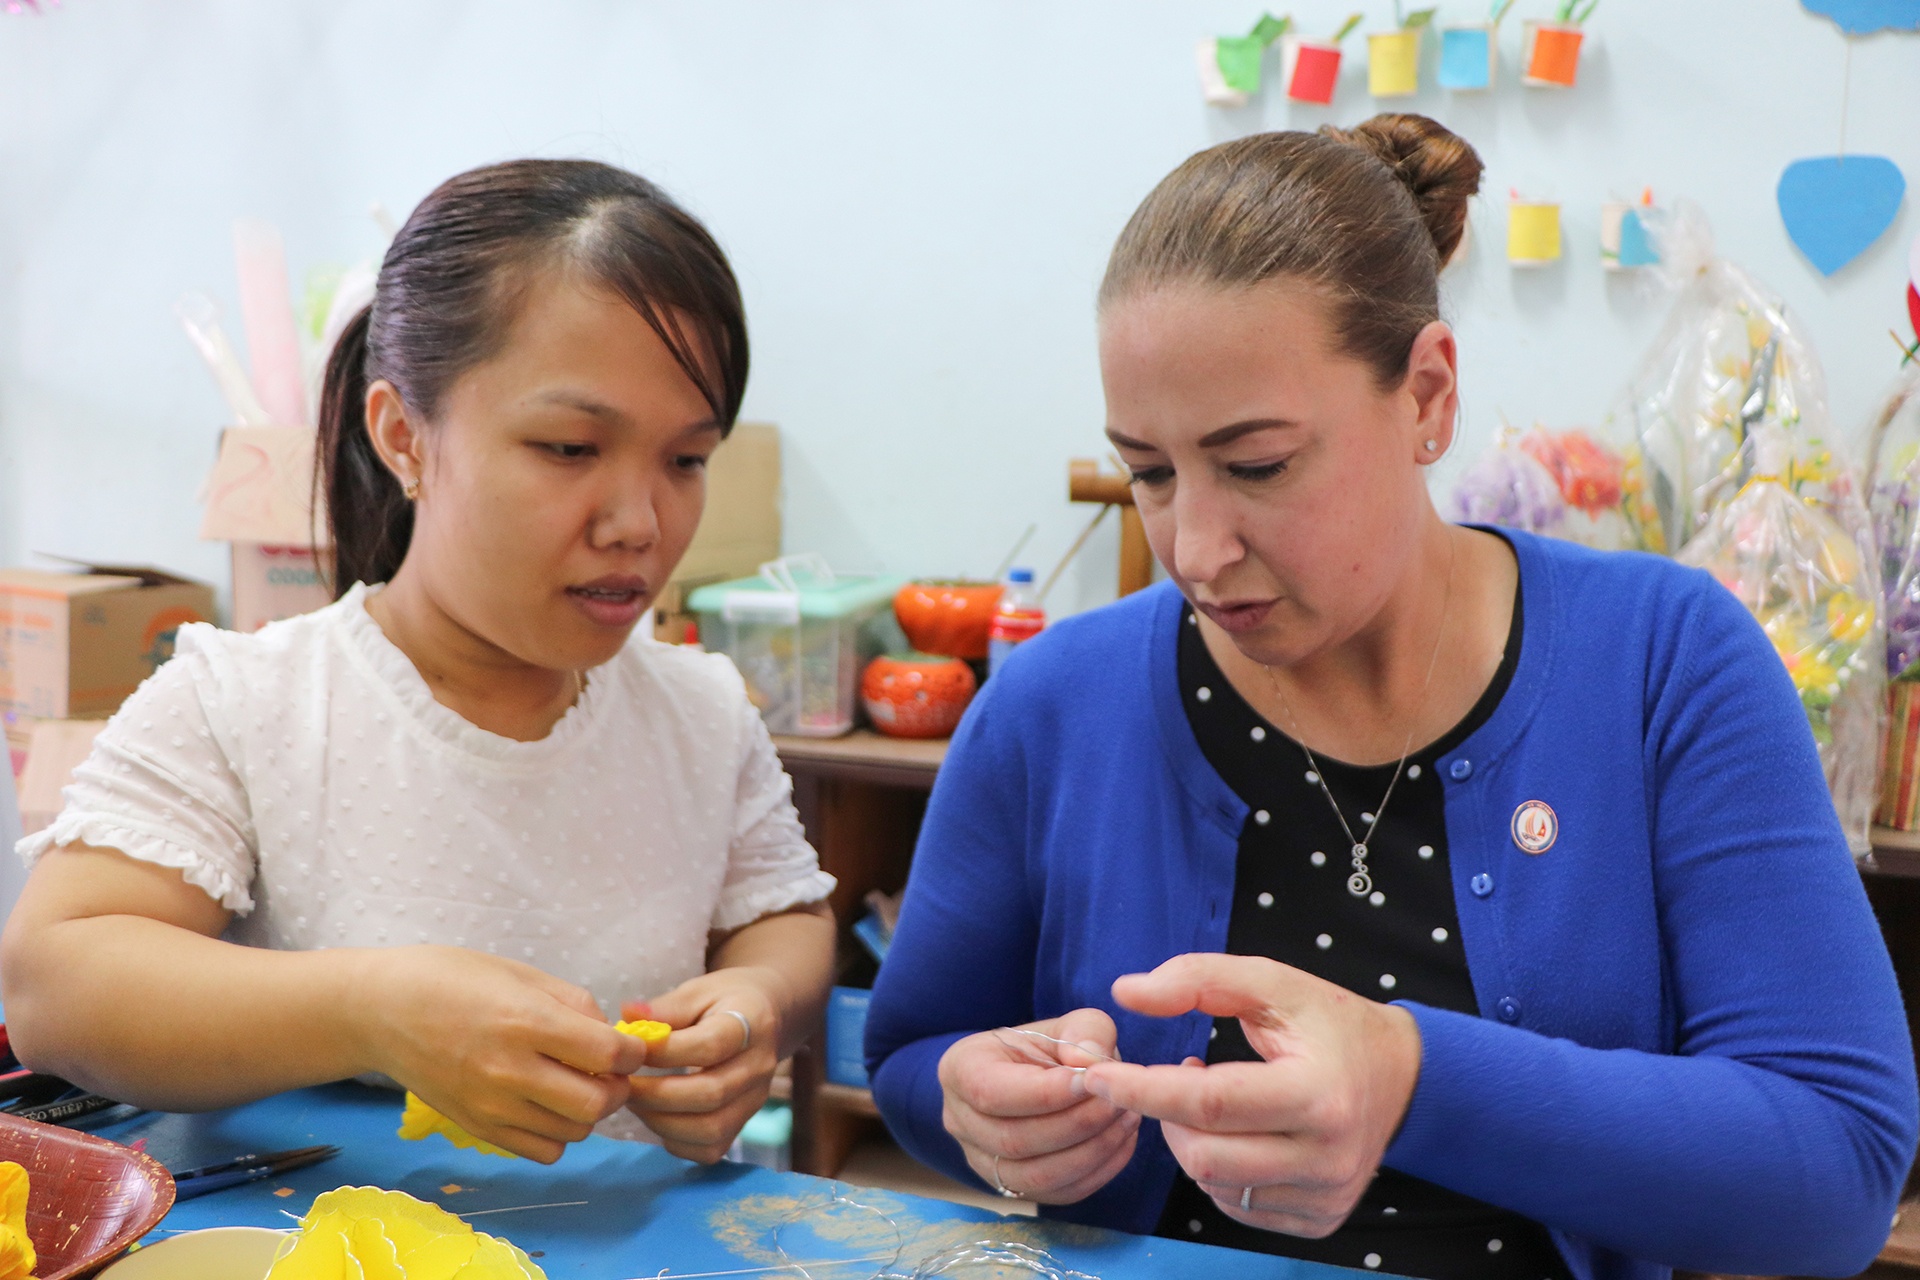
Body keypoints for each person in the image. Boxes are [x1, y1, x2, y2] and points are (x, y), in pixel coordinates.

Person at [864, 114, 1918, 1280]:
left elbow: (1839, 1171)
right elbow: (914, 1054)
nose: (1196, 548)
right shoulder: (1052, 705)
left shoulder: (1664, 663)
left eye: (1257, 464)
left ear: (1426, 395)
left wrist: (1412, 1076)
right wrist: (983, 1112)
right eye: (1149, 473)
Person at [2, 159, 836, 1166]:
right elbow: (55, 984)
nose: (640, 522)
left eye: (686, 459)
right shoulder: (249, 702)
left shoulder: (699, 710)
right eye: (572, 448)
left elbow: (784, 915)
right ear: (404, 434)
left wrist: (754, 1005)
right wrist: (368, 1007)